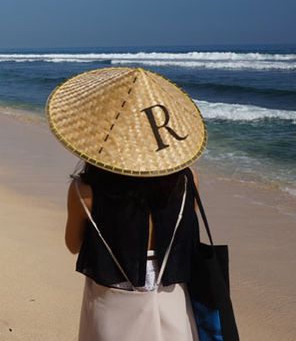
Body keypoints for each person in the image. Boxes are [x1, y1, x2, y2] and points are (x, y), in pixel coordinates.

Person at [46, 67, 207, 341]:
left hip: (112, 295)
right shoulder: (188, 179)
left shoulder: (84, 190)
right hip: (171, 290)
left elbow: (74, 245)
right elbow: (183, 235)